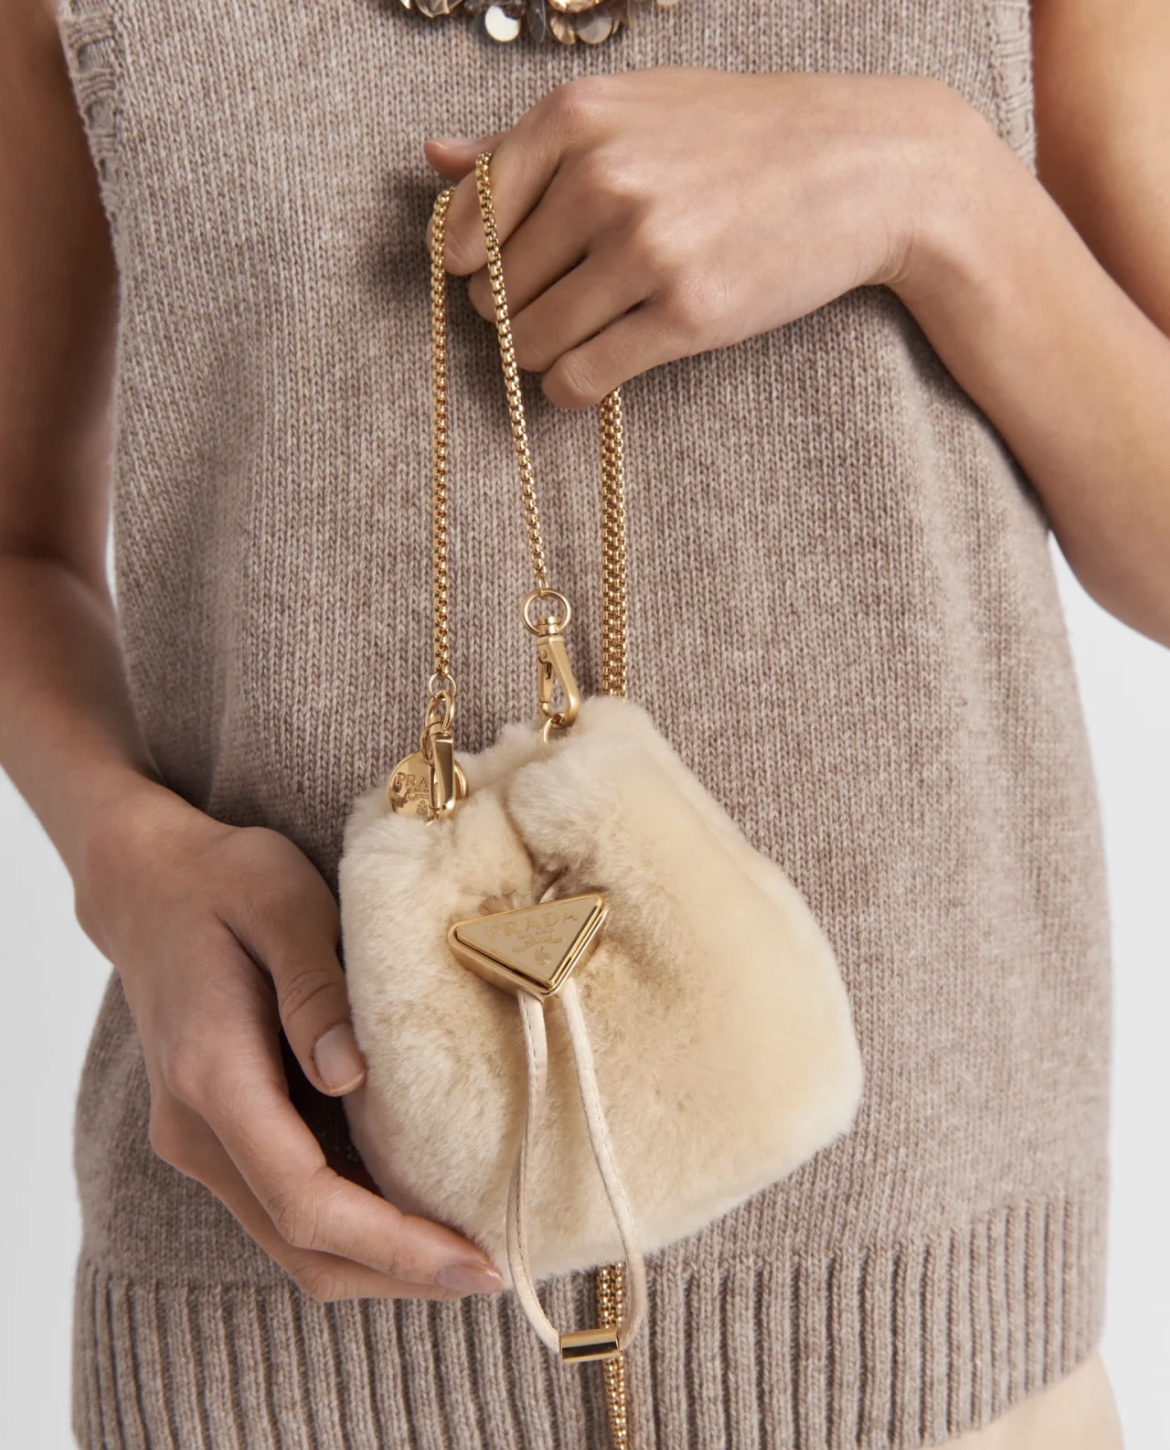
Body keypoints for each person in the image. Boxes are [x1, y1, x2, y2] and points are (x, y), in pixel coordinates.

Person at [1, 0, 1163, 1444]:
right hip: (282, 1320)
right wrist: (129, 861)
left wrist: (931, 183)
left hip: (931, 1330)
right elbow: (18, 547)